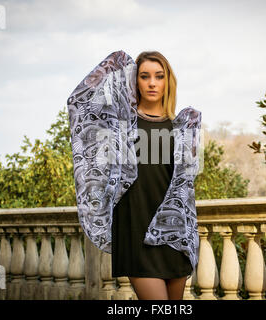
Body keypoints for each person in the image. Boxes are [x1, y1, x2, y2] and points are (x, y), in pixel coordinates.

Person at [111, 51, 193, 300]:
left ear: (168, 81)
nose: (152, 83)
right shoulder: (122, 125)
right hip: (137, 235)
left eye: (159, 76)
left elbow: (184, 190)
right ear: (135, 82)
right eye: (144, 76)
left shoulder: (181, 128)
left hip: (174, 236)